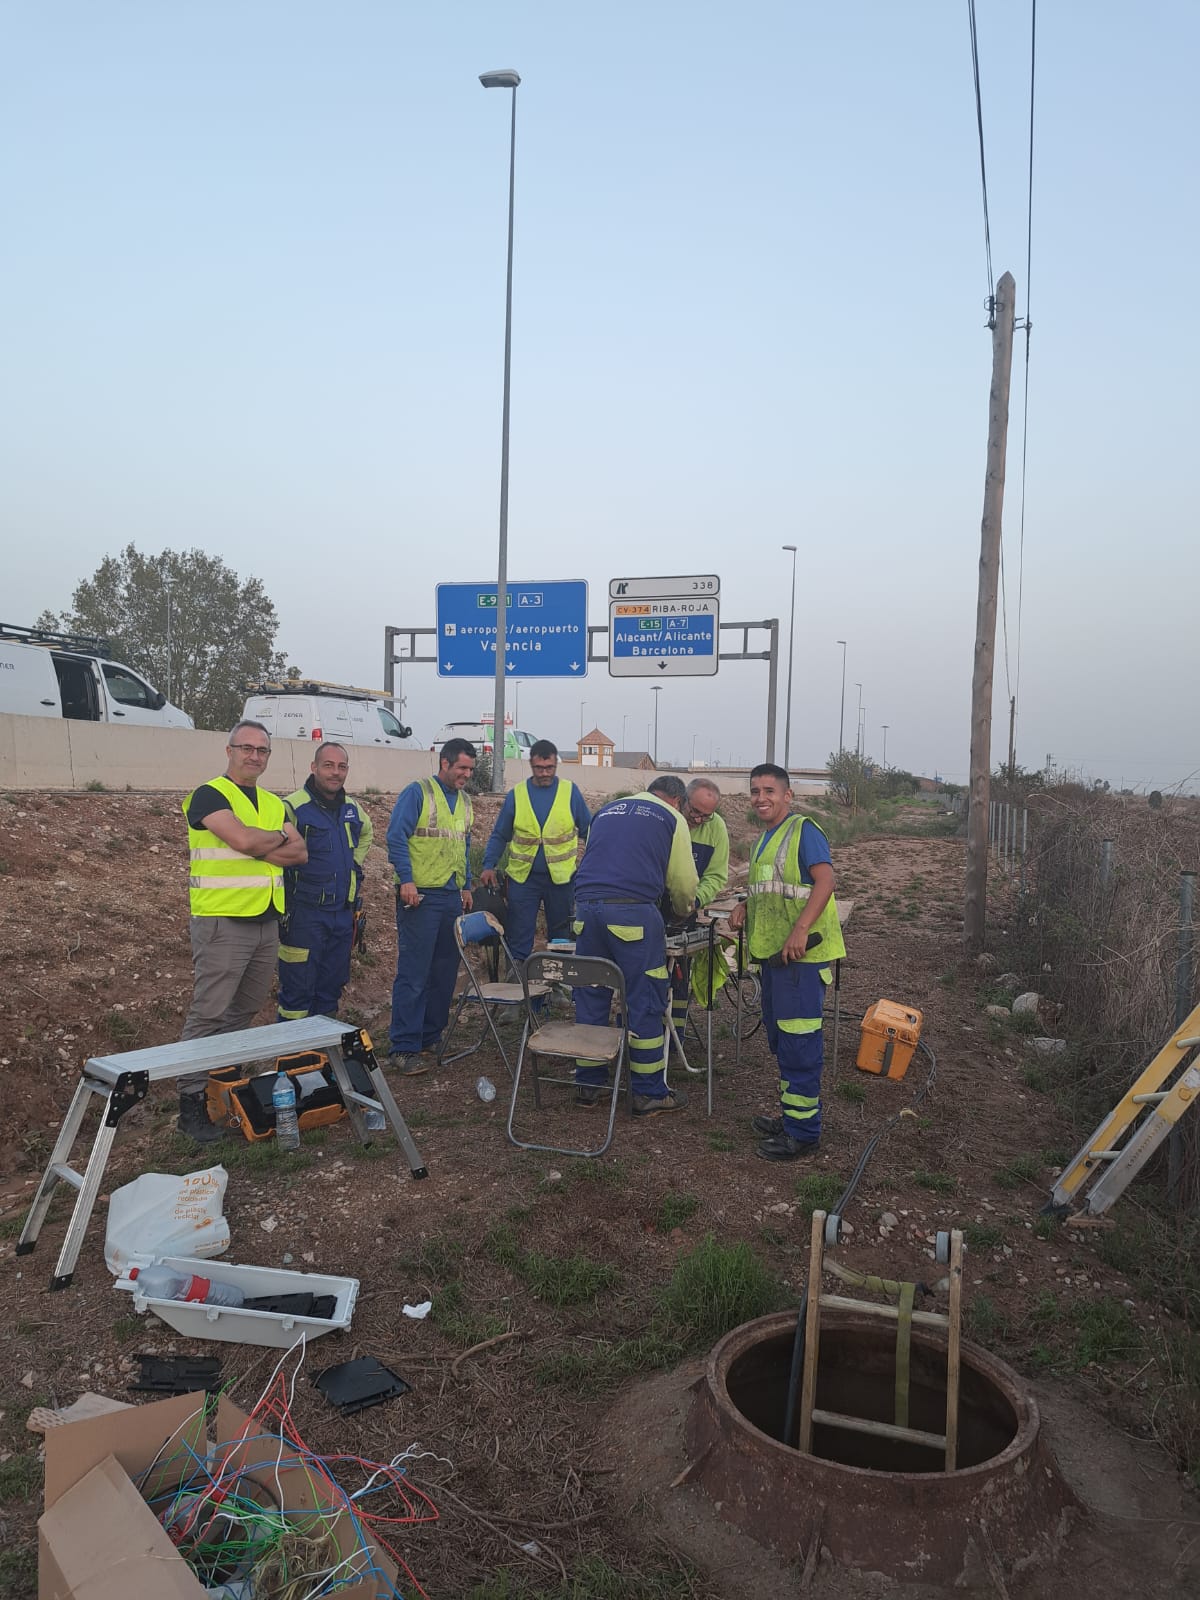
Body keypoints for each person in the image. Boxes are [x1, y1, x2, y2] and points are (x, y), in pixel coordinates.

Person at [178, 720, 307, 1143]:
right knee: (210, 1011)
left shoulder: (274, 801)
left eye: (262, 750)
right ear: (229, 749)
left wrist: (259, 841)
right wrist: (271, 841)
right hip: (222, 921)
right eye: (246, 748)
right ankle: (191, 1101)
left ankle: (221, 1078)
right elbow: (245, 842)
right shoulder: (209, 794)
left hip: (265, 920)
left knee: (247, 1005)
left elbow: (299, 853)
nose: (254, 756)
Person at [729, 763, 845, 1162]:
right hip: (775, 960)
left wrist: (800, 929)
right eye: (755, 791)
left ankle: (804, 1133)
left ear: (788, 795)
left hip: (802, 958)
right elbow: (773, 889)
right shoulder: (764, 839)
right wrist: (746, 904)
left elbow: (826, 881)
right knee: (782, 1042)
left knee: (799, 1046)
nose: (761, 798)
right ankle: (792, 1117)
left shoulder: (804, 831)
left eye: (769, 791)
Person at [572, 775, 698, 1116]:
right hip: (633, 915)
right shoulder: (672, 819)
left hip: (585, 911)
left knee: (591, 992)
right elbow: (684, 884)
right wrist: (685, 911)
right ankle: (647, 1091)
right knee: (645, 999)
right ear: (678, 801)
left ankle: (589, 1083)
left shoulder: (606, 810)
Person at [386, 737, 475, 1073]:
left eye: (470, 768)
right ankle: (404, 1046)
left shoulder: (465, 801)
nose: (466, 774)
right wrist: (406, 879)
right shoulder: (418, 792)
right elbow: (396, 837)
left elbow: (462, 845)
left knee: (444, 971)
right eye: (462, 767)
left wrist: (466, 885)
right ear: (445, 763)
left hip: (450, 897)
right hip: (419, 896)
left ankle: (430, 1035)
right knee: (414, 973)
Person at [277, 743, 373, 1022]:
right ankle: (293, 1061)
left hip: (343, 916)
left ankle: (324, 1058)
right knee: (297, 994)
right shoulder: (293, 807)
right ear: (314, 767)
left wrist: (354, 863)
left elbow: (367, 833)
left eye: (342, 767)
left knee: (330, 991)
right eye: (329, 765)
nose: (336, 772)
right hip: (304, 916)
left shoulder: (352, 808)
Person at [479, 739, 591, 962]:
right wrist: (488, 865)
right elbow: (500, 834)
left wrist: (592, 867)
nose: (544, 773)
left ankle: (558, 986)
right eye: (539, 768)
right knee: (519, 933)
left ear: (555, 765)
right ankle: (518, 982)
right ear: (531, 765)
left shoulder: (570, 792)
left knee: (561, 937)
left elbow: (589, 831)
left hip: (561, 880)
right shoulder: (517, 795)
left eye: (549, 768)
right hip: (523, 879)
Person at [667, 777, 731, 1036]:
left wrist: (695, 900)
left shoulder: (716, 828)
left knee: (679, 977)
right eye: (694, 812)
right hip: (650, 910)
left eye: (707, 815)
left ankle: (675, 1038)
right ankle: (636, 1035)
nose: (699, 820)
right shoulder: (666, 818)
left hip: (686, 914)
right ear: (682, 800)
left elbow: (716, 875)